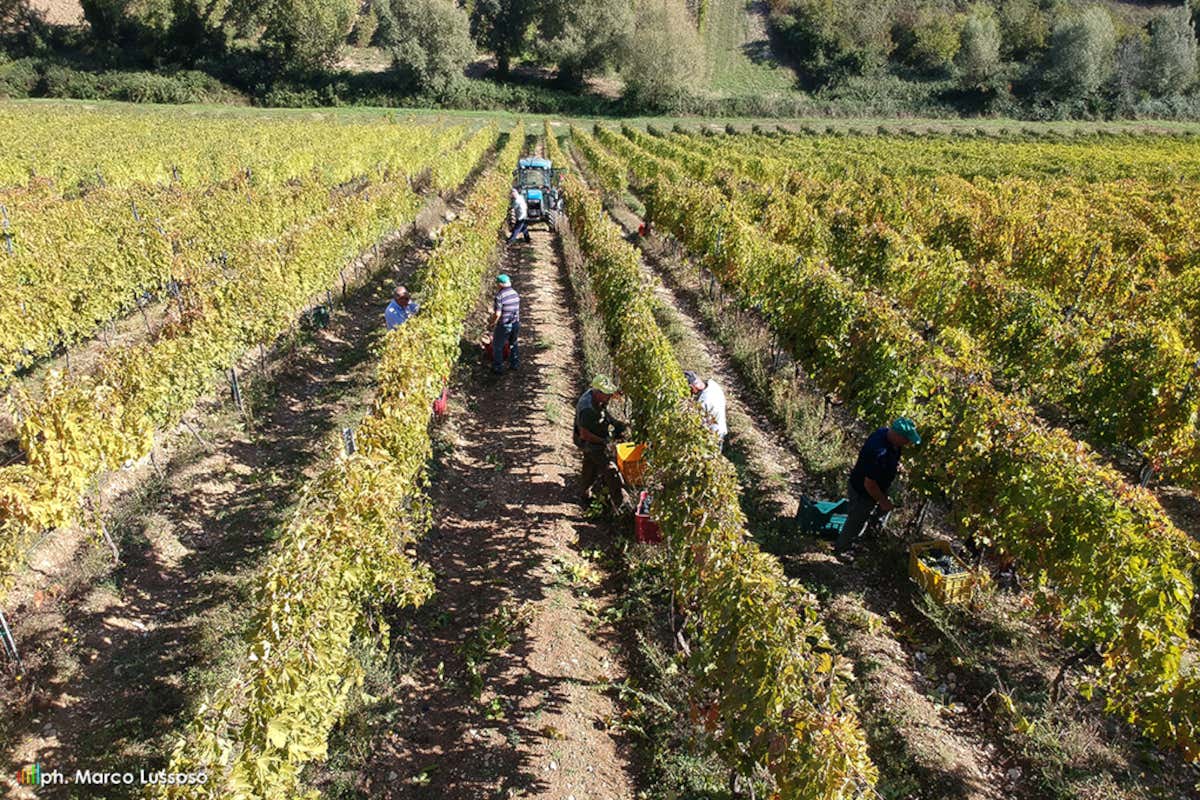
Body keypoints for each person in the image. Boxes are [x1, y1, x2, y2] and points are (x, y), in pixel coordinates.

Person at [834, 417, 921, 561]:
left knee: (864, 516)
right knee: (856, 520)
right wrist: (882, 500)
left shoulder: (887, 435)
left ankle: (858, 540)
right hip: (863, 490)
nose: (909, 443)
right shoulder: (878, 452)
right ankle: (841, 549)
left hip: (875, 487)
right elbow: (870, 484)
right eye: (907, 439)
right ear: (898, 436)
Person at [573, 374, 629, 514]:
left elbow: (604, 412)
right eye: (607, 394)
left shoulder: (595, 395)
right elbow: (585, 434)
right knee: (610, 470)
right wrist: (605, 441)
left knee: (590, 465)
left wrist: (616, 424)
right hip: (588, 440)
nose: (609, 397)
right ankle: (622, 506)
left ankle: (585, 494)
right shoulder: (587, 409)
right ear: (598, 392)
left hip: (595, 432)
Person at [683, 371, 727, 449]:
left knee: (710, 455)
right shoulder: (713, 384)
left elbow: (697, 424)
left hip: (712, 435)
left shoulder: (703, 402)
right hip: (720, 429)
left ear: (692, 387)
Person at [489, 274, 520, 374]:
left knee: (497, 346)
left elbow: (498, 314)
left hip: (504, 325)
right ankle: (514, 364)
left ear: (500, 284)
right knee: (513, 343)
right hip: (515, 323)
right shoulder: (515, 293)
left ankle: (498, 368)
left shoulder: (500, 296)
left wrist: (492, 323)